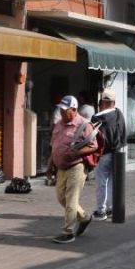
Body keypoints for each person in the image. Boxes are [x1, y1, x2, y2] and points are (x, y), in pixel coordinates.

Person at [49, 95, 98, 244]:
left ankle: (67, 232)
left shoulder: (84, 125)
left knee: (71, 200)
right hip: (61, 167)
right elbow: (54, 145)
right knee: (61, 197)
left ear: (74, 110)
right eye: (61, 110)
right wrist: (50, 164)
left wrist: (77, 153)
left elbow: (94, 145)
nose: (62, 113)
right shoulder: (58, 124)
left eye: (65, 111)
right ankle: (84, 217)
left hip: (76, 166)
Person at [91, 89, 126, 221]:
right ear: (113, 102)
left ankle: (101, 211)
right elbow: (123, 132)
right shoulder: (119, 113)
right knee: (113, 182)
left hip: (103, 154)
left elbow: (92, 137)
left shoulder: (97, 117)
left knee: (101, 183)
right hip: (118, 153)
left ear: (102, 102)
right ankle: (111, 208)